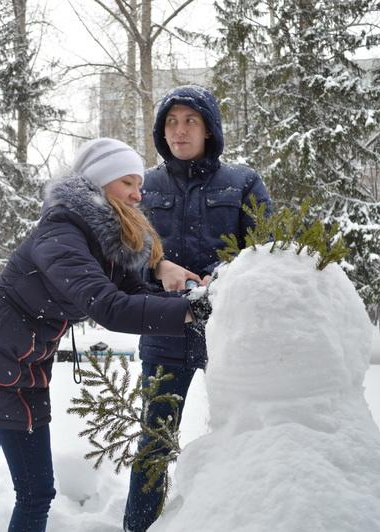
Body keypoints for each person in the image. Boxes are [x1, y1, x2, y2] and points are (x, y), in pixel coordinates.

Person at [0, 138, 210, 532]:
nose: (138, 193)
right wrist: (192, 312)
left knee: (37, 495)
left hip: (24, 374)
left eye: (139, 184)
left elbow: (133, 294)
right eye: (127, 182)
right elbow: (109, 307)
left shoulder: (101, 241)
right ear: (100, 183)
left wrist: (191, 295)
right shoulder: (60, 232)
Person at [123, 85, 271, 532]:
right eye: (171, 122)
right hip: (163, 332)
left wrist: (222, 281)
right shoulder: (143, 188)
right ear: (160, 131)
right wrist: (161, 271)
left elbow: (265, 252)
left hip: (228, 334)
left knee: (242, 434)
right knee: (154, 442)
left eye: (190, 121)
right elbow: (127, 257)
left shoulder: (242, 182)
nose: (180, 130)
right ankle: (139, 526)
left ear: (209, 130)